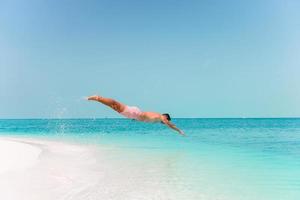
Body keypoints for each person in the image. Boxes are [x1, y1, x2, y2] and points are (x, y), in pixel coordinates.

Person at [87, 95, 185, 136]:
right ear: (165, 117)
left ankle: (98, 98)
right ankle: (98, 98)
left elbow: (144, 118)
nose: (165, 122)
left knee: (115, 105)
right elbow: (170, 125)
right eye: (166, 120)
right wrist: (179, 130)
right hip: (135, 113)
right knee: (114, 105)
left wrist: (135, 119)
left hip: (135, 113)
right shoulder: (161, 117)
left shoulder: (156, 117)